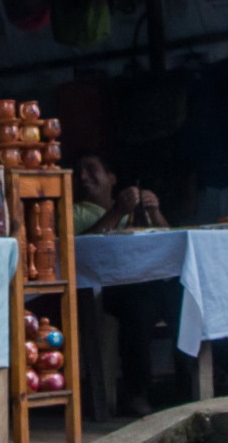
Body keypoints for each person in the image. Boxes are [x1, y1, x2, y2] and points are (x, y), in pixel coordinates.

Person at [73, 152, 180, 418]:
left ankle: (188, 388)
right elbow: (77, 248)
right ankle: (136, 394)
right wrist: (117, 211)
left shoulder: (134, 211)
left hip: (148, 284)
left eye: (91, 169)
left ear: (112, 178)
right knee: (138, 306)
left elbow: (171, 244)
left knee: (184, 297)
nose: (83, 177)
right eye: (79, 172)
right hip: (106, 290)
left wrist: (155, 212)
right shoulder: (75, 211)